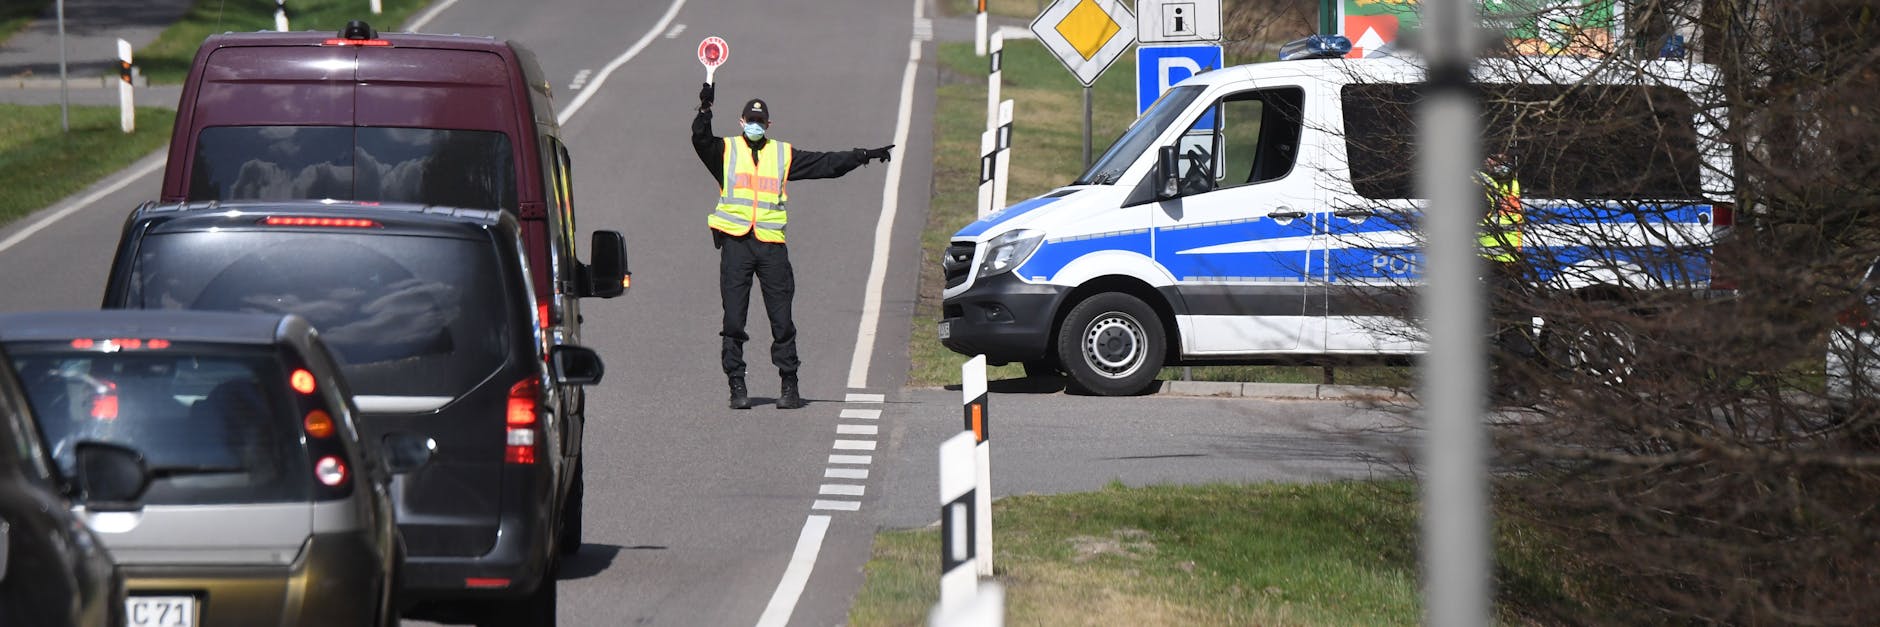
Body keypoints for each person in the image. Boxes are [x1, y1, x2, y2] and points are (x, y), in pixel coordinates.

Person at [692, 81, 894, 409]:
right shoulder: (725, 151)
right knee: (733, 319)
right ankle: (737, 384)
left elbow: (824, 164)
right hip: (736, 245)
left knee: (782, 319)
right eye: (750, 121)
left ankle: (790, 384)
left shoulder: (781, 154)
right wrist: (705, 107)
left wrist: (861, 156)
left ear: (768, 125)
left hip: (771, 247)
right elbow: (700, 139)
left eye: (761, 122)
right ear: (741, 122)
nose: (755, 126)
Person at [1478, 151, 1531, 401]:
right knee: (1515, 329)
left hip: (1486, 266)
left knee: (1485, 330)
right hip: (1512, 265)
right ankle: (1517, 388)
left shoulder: (1478, 185)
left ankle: (1487, 391)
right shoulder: (1512, 184)